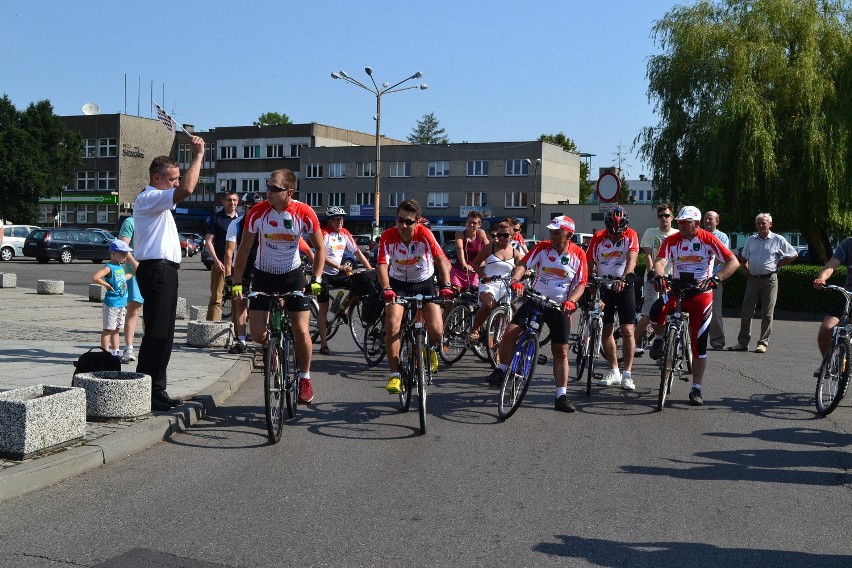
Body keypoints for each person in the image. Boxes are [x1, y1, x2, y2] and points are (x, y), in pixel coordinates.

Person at [231, 169, 326, 405]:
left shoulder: (304, 212)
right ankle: (272, 348)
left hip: (293, 276)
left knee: (301, 330)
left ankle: (304, 378)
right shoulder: (258, 212)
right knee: (257, 334)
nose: (268, 192)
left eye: (274, 188)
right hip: (263, 274)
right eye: (267, 186)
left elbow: (320, 248)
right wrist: (236, 282)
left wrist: (316, 279)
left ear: (289, 192)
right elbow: (243, 249)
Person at [487, 216, 587, 413]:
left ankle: (561, 395)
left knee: (561, 351)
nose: (552, 235)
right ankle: (502, 369)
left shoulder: (578, 254)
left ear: (569, 235)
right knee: (510, 332)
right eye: (551, 231)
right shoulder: (542, 248)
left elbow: (581, 283)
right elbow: (524, 264)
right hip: (536, 299)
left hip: (559, 306)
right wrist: (515, 280)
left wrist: (571, 301)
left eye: (557, 232)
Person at [134, 135, 205, 412]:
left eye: (176, 178)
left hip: (165, 270)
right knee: (157, 333)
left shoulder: (157, 201)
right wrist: (198, 156)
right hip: (156, 269)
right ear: (157, 179)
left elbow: (182, 189)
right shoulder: (149, 198)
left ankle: (156, 388)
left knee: (164, 333)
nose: (176, 183)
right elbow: (187, 189)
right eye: (172, 178)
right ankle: (146, 387)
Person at [650, 205, 739, 406]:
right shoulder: (671, 240)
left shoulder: (708, 239)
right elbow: (660, 262)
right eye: (679, 222)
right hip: (677, 289)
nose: (681, 226)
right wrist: (659, 276)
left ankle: (696, 388)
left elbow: (733, 261)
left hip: (701, 293)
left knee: (699, 343)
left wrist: (717, 278)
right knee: (655, 312)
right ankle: (658, 337)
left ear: (696, 224)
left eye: (685, 223)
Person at [377, 199, 453, 395]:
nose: (403, 225)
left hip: (423, 282)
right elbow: (382, 264)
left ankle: (431, 350)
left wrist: (445, 285)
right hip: (398, 284)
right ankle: (395, 376)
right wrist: (386, 288)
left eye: (409, 222)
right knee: (392, 324)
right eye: (399, 220)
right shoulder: (388, 235)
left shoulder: (424, 234)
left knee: (436, 330)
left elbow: (440, 258)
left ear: (417, 222)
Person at [586, 206, 640, 390]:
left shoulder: (631, 234)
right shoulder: (599, 237)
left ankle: (627, 374)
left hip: (624, 285)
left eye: (619, 233)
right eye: (611, 232)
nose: (615, 236)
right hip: (604, 285)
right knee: (606, 329)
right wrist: (592, 285)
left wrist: (625, 278)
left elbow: (632, 259)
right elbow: (589, 263)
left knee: (627, 330)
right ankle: (614, 371)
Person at [729, 213, 798, 353]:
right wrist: (745, 269)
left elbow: (793, 254)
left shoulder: (778, 239)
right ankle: (742, 343)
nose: (761, 225)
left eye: (763, 223)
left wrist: (778, 264)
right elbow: (744, 256)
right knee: (746, 311)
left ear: (770, 224)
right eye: (758, 223)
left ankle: (763, 342)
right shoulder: (751, 240)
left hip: (769, 280)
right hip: (753, 279)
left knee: (767, 313)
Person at [316, 206, 372, 356]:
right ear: (329, 221)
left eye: (342, 219)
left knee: (359, 284)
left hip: (338, 272)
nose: (340, 222)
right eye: (336, 219)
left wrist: (370, 269)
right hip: (323, 273)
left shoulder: (345, 234)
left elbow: (357, 252)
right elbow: (322, 256)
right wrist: (339, 266)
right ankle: (323, 344)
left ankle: (342, 309)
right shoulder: (324, 233)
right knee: (323, 308)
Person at [467, 220, 524, 343]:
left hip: (504, 286)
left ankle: (497, 351)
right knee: (489, 305)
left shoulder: (515, 252)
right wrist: (483, 275)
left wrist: (525, 274)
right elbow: (476, 264)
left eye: (505, 235)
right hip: (489, 284)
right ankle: (474, 330)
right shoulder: (489, 248)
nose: (501, 238)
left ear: (511, 235)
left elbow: (522, 267)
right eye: (499, 235)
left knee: (502, 320)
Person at [223, 191, 265, 354]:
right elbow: (229, 252)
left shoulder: (266, 223)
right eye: (250, 208)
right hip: (242, 269)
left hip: (262, 268)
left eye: (257, 208)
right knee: (241, 303)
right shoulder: (237, 224)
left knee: (264, 304)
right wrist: (229, 276)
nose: (254, 211)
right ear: (244, 208)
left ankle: (265, 339)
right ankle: (241, 340)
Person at [634, 203, 678, 355]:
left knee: (669, 313)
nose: (664, 218)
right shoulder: (650, 233)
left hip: (672, 279)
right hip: (653, 278)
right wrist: (653, 272)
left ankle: (665, 345)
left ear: (672, 217)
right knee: (649, 312)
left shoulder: (677, 234)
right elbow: (647, 254)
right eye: (661, 216)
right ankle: (631, 343)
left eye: (666, 215)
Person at [92, 240, 136, 356]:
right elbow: (96, 277)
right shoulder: (109, 267)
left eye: (126, 253)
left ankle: (115, 353)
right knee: (108, 330)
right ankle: (105, 354)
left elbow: (122, 279)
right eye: (122, 253)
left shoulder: (119, 267)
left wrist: (132, 273)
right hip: (112, 304)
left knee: (116, 330)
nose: (125, 256)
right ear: (113, 254)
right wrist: (107, 285)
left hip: (121, 304)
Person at [812, 237, 852, 359]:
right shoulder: (848, 244)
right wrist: (822, 278)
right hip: (849, 297)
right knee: (825, 331)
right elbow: (831, 265)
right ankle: (828, 365)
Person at [205, 190, 239, 321]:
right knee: (216, 298)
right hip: (220, 264)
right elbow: (209, 241)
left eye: (234, 200)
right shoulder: (216, 218)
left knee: (237, 297)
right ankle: (210, 328)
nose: (232, 203)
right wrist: (216, 261)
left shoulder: (240, 219)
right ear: (223, 202)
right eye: (229, 200)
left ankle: (238, 331)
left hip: (236, 265)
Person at [117, 213, 144, 363]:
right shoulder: (130, 222)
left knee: (151, 311)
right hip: (133, 271)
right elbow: (123, 246)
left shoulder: (154, 219)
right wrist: (135, 265)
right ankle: (129, 348)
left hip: (151, 269)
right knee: (134, 309)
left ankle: (148, 346)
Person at [702, 211, 730, 350]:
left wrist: (707, 266)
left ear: (717, 222)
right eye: (706, 218)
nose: (707, 221)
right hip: (699, 278)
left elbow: (722, 256)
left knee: (715, 311)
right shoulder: (698, 234)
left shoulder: (722, 236)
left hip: (714, 278)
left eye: (710, 219)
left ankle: (717, 341)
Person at [450, 211, 489, 290]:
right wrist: (464, 264)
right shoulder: (460, 234)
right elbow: (459, 248)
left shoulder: (481, 233)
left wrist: (484, 263)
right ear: (466, 222)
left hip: (475, 271)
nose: (471, 225)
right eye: (469, 222)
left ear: (479, 224)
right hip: (459, 270)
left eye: (474, 223)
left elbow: (488, 249)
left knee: (474, 295)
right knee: (454, 294)